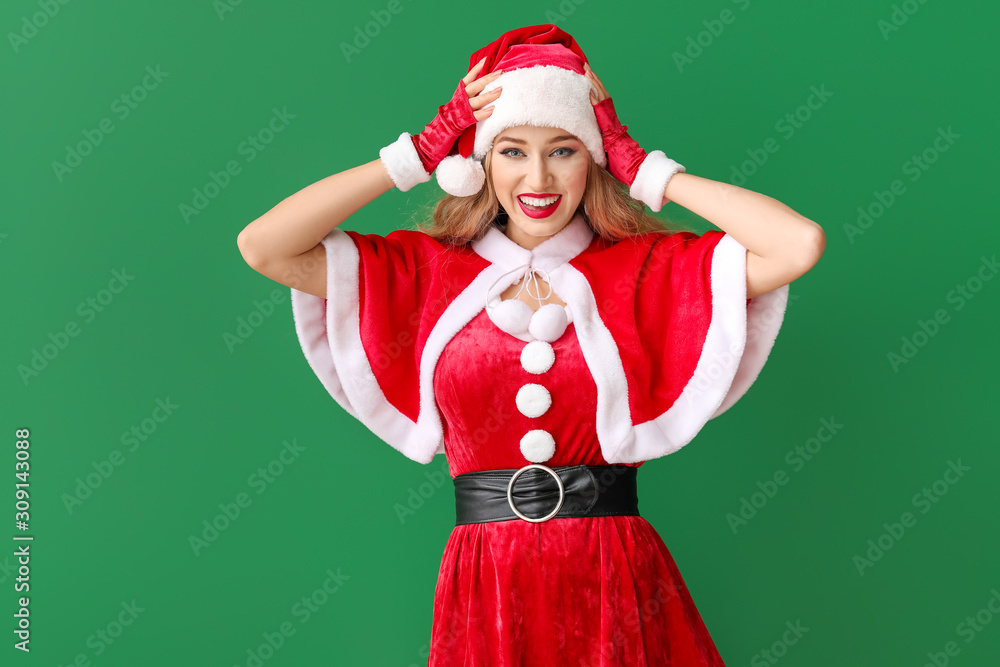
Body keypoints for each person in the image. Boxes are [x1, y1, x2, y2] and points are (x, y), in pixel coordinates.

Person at [237, 23, 824, 667]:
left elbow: (797, 244)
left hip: (616, 575)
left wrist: (641, 165)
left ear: (592, 160)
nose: (537, 176)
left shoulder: (649, 271)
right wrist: (413, 155)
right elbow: (264, 245)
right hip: (485, 578)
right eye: (512, 150)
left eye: (565, 150)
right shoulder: (421, 271)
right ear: (480, 163)